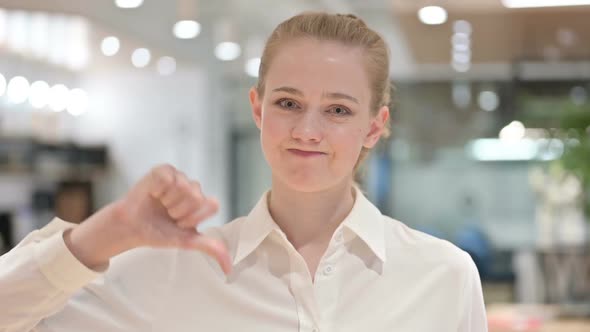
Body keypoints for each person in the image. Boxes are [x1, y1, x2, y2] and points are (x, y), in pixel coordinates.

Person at [0, 12, 487, 331]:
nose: (307, 130)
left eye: (338, 110)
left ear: (374, 126)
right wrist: (102, 235)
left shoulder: (443, 276)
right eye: (288, 103)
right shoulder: (177, 274)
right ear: (257, 109)